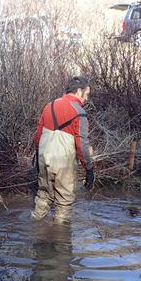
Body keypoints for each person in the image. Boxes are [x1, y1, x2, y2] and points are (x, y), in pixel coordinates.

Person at [31, 76, 94, 223]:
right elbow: (81, 145)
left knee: (43, 196)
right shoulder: (80, 113)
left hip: (44, 157)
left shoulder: (49, 106)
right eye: (86, 94)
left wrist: (39, 160)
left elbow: (38, 137)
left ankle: (35, 231)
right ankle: (60, 242)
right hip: (63, 162)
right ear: (79, 91)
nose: (86, 98)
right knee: (64, 202)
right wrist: (89, 168)